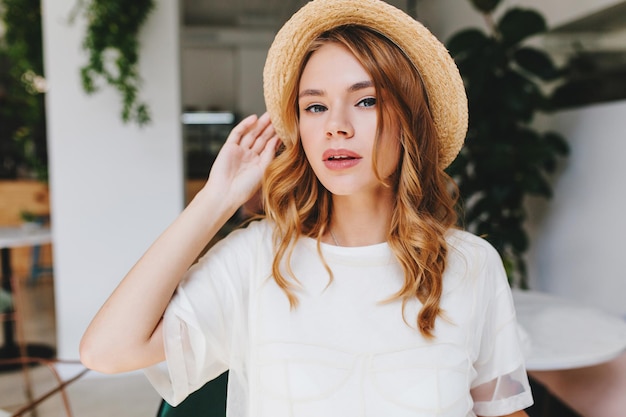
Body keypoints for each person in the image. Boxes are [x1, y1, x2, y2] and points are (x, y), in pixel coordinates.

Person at [80, 0, 533, 416]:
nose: (336, 126)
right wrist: (216, 199)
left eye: (366, 100)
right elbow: (107, 350)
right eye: (315, 107)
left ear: (410, 120)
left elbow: (505, 411)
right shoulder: (257, 259)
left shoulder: (471, 265)